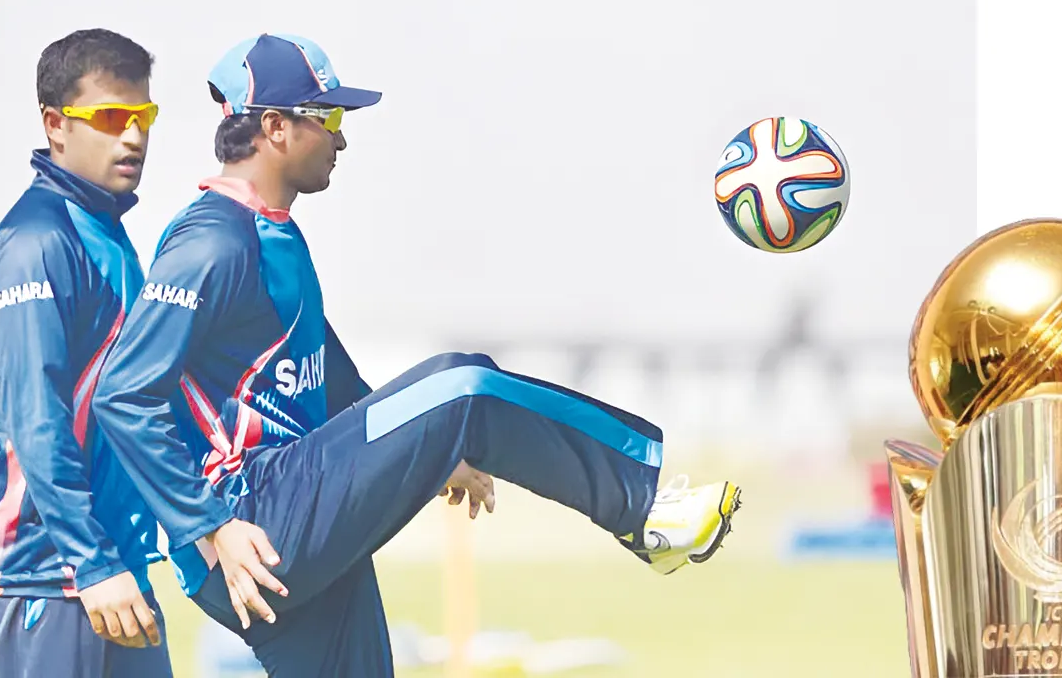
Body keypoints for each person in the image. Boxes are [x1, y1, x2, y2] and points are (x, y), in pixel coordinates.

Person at [90, 33, 742, 676]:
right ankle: (641, 508)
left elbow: (332, 382)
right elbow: (122, 394)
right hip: (248, 518)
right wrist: (211, 524)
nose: (342, 139)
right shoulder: (211, 241)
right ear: (275, 127)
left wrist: (432, 452)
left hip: (287, 517)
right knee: (465, 388)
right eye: (329, 118)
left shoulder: (273, 232)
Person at [0, 28, 172, 677]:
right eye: (110, 117)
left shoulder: (107, 235)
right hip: (39, 575)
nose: (133, 136)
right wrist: (91, 561)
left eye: (143, 115)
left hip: (108, 565)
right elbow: (36, 421)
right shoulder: (36, 244)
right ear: (55, 124)